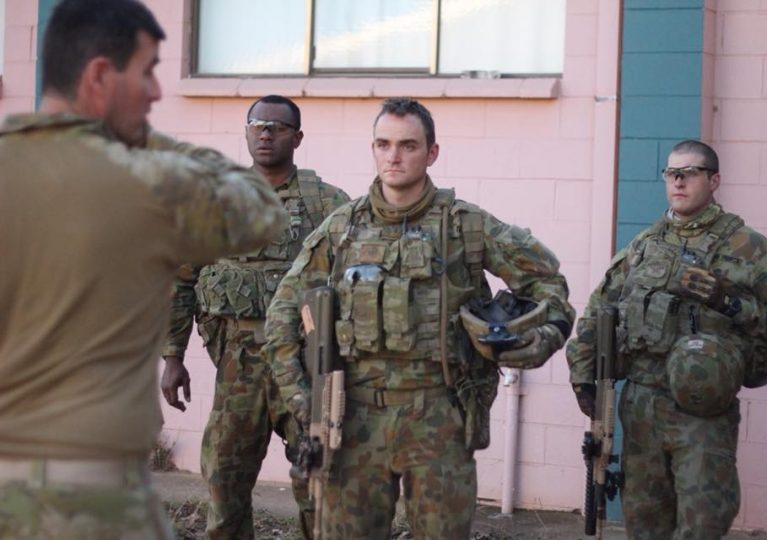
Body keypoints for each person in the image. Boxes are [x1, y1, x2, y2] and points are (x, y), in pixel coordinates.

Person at [0, 0, 288, 538]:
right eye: (148, 72)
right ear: (101, 78)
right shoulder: (151, 183)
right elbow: (260, 210)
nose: (157, 93)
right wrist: (138, 137)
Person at [264, 97, 576, 539]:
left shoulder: (464, 226)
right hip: (352, 417)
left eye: (408, 145)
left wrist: (541, 338)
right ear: (372, 149)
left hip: (438, 416)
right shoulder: (342, 229)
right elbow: (282, 312)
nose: (394, 156)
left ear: (432, 153)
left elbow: (548, 283)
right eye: (383, 144)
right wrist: (302, 399)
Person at [566, 139, 767, 540]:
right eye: (671, 173)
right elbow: (598, 311)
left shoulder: (745, 246)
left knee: (704, 520)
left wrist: (727, 301)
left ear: (714, 180)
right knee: (644, 521)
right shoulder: (643, 247)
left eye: (690, 172)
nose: (678, 181)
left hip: (701, 413)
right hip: (642, 404)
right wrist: (582, 374)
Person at [160, 95, 350, 539]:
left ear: (297, 137)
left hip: (306, 366)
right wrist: (173, 355)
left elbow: (351, 286)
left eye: (278, 126)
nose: (266, 133)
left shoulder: (328, 203)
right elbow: (181, 280)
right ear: (246, 133)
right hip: (238, 365)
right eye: (257, 124)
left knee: (316, 477)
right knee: (224, 477)